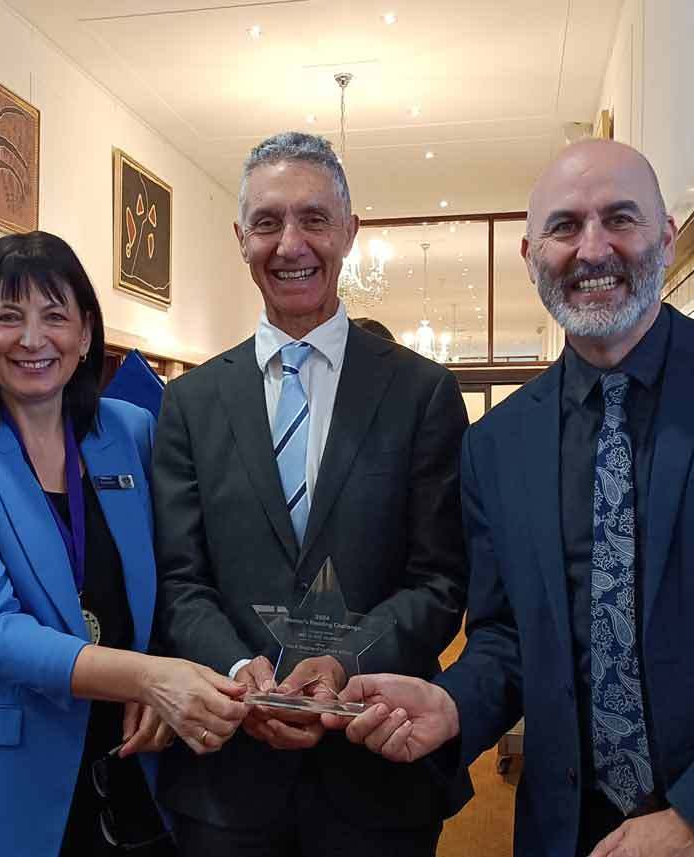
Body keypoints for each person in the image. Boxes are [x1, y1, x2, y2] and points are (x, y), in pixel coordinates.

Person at [332, 139, 694, 857]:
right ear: (528, 255)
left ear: (667, 237)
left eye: (620, 218)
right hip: (581, 835)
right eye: (564, 227)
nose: (592, 249)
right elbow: (508, 637)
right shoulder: (498, 444)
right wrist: (455, 702)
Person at [151, 131, 471, 857]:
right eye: (267, 222)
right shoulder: (191, 404)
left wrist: (344, 662)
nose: (290, 243)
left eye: (314, 219)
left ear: (350, 232)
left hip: (377, 773)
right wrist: (242, 677)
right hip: (225, 778)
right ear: (240, 238)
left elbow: (441, 577)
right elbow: (181, 580)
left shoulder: (422, 393)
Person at [0, 231, 249, 857]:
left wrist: (161, 668)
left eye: (55, 316)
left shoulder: (130, 431)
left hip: (132, 755)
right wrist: (150, 678)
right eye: (8, 318)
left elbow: (170, 578)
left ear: (86, 335)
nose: (33, 339)